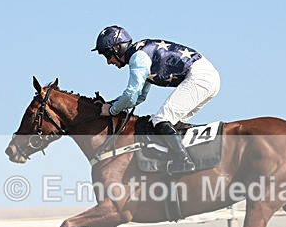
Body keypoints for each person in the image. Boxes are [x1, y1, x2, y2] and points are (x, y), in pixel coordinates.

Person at [93, 25, 221, 174]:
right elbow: (140, 96)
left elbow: (132, 94)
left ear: (116, 48)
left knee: (160, 119)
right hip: (206, 77)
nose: (108, 62)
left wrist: (112, 109)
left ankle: (184, 162)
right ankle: (182, 159)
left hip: (200, 77)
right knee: (171, 124)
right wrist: (113, 103)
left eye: (107, 55)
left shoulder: (138, 58)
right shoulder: (141, 53)